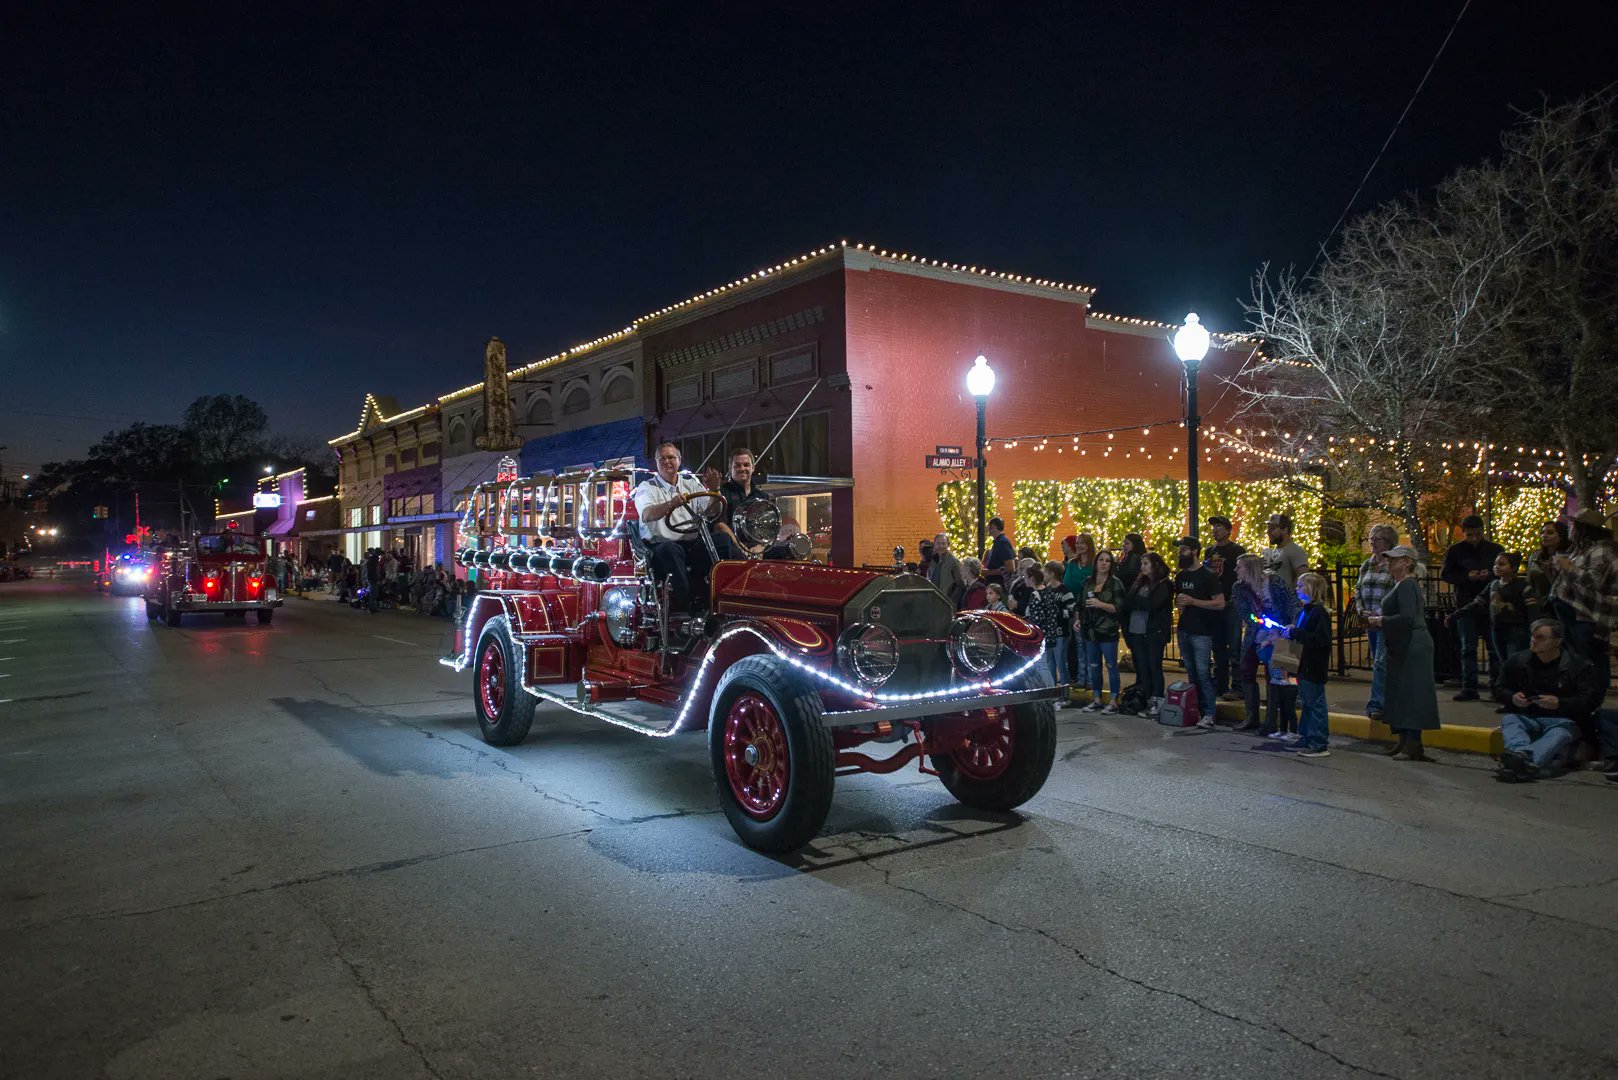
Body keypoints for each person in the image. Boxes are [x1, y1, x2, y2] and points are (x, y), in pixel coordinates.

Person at [1494, 619, 1604, 782]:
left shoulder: (1578, 666)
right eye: (1533, 636)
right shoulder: (1518, 661)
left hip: (1563, 720)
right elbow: (1499, 688)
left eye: (1541, 638)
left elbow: (1590, 701)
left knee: (1559, 734)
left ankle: (1522, 763)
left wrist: (1559, 703)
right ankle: (1521, 755)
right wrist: (1512, 698)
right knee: (1510, 720)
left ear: (1557, 641)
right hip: (1528, 715)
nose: (1534, 641)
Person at [631, 441, 734, 614]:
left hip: (691, 545)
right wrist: (670, 504)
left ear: (679, 460)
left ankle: (722, 599)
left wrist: (715, 491)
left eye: (671, 457)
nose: (666, 462)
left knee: (722, 541)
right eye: (661, 458)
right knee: (671, 550)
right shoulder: (646, 487)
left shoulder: (691, 484)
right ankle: (688, 607)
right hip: (660, 547)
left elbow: (712, 511)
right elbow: (647, 514)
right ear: (656, 462)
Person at [1364, 545, 1440, 761]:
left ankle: (1413, 744)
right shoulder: (1400, 584)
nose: (1389, 562)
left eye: (1394, 559)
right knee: (1401, 692)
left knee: (1411, 693)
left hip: (1412, 645)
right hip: (1403, 644)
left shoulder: (1407, 585)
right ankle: (1405, 740)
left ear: (1406, 562)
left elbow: (1407, 618)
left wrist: (1381, 621)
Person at [1449, 552, 1539, 711]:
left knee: (1515, 664)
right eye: (1496, 564)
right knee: (1504, 664)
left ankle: (1522, 699)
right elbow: (1477, 603)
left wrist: (1533, 630)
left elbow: (1532, 611)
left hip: (1516, 630)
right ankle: (1511, 700)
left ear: (1513, 568)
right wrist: (1456, 615)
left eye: (1503, 564)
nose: (1497, 567)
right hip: (1498, 630)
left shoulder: (1523, 587)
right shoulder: (1493, 585)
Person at [1548, 509, 1618, 703]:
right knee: (1577, 659)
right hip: (1572, 614)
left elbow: (1591, 581)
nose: (1570, 530)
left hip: (1587, 615)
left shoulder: (1601, 550)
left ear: (1583, 529)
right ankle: (1582, 698)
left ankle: (1593, 700)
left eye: (1574, 526)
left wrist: (1568, 567)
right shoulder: (1580, 549)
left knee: (1591, 659)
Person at [1440, 513, 1506, 701]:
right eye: (1470, 535)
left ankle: (1496, 686)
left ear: (1482, 532)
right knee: (1467, 647)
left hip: (1490, 603)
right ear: (1464, 533)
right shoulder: (1455, 551)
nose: (1474, 539)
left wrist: (1490, 575)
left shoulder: (1494, 549)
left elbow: (1503, 569)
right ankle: (1469, 686)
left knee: (1493, 647)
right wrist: (1466, 577)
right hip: (1466, 602)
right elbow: (1446, 574)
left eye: (1477, 534)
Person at [1278, 572, 1333, 757]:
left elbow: (1321, 639)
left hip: (1313, 664)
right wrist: (1294, 631)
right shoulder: (1307, 610)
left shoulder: (1318, 612)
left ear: (1311, 589)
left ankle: (1318, 743)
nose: (1297, 589)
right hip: (1305, 663)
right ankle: (1307, 737)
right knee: (1308, 703)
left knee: (1314, 704)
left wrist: (1296, 634)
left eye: (1300, 586)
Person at [1174, 536, 1225, 729]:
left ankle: (1210, 713)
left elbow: (1219, 603)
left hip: (1202, 631)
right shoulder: (1181, 576)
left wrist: (1194, 602)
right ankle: (1195, 710)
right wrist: (1180, 604)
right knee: (1191, 673)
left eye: (1184, 549)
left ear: (1194, 551)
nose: (1180, 553)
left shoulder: (1207, 576)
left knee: (1203, 673)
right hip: (1184, 629)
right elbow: (1179, 601)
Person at [1356, 524, 1399, 722]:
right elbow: (1358, 589)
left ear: (1389, 542)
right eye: (1371, 538)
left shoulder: (1393, 564)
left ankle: (1377, 704)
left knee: (1381, 663)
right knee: (1379, 662)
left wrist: (1380, 613)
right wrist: (1361, 610)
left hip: (1384, 620)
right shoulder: (1367, 564)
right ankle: (1387, 700)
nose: (1372, 542)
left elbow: (1395, 592)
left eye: (1377, 539)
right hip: (1370, 621)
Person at [1122, 552, 1173, 718]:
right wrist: (1136, 603)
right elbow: (1128, 601)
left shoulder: (1164, 584)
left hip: (1153, 630)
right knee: (1142, 667)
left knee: (1154, 666)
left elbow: (1153, 604)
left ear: (1155, 565)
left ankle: (1157, 701)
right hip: (1137, 629)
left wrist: (1137, 602)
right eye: (1142, 563)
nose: (1142, 566)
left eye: (1146, 563)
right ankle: (1147, 700)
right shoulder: (1140, 583)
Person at [1203, 515, 1247, 701]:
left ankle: (1238, 686)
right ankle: (1219, 684)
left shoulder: (1237, 550)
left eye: (1219, 527)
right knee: (1217, 647)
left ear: (1228, 530)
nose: (1215, 530)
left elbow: (1242, 575)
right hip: (1215, 605)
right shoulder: (1209, 551)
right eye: (1214, 527)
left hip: (1232, 604)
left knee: (1234, 646)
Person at [1078, 550, 1126, 713]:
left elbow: (1119, 608)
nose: (1104, 563)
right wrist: (1078, 620)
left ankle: (1113, 700)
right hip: (1090, 630)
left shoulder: (1115, 583)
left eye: (1107, 561)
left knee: (1111, 665)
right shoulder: (1088, 582)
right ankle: (1097, 698)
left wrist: (1101, 604)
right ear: (1096, 562)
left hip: (1108, 629)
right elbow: (1081, 604)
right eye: (1101, 560)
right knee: (1094, 665)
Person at [1025, 561, 1076, 691]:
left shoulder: (1064, 590)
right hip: (1050, 632)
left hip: (1060, 632)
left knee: (1061, 664)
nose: (1043, 574)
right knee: (1049, 664)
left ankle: (1065, 693)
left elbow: (1071, 610)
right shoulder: (1047, 590)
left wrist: (1054, 614)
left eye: (1046, 572)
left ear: (1052, 574)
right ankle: (1053, 691)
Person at [1062, 534, 1097, 697]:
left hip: (1091, 608)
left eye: (1083, 543)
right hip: (1075, 608)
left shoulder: (1095, 564)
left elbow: (1095, 585)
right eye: (1078, 543)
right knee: (1078, 645)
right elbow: (1068, 584)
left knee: (1091, 644)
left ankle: (1092, 679)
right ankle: (1081, 677)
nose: (1080, 546)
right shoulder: (1072, 564)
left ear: (1089, 545)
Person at [1262, 513, 1309, 593]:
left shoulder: (1295, 551)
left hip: (1286, 602)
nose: (1268, 532)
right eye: (1268, 528)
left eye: (1272, 528)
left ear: (1284, 530)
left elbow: (1303, 578)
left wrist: (1292, 599)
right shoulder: (1275, 551)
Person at [1526, 520, 1569, 602]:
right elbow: (1529, 582)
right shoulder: (1536, 555)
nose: (1544, 536)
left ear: (1561, 536)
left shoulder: (1567, 556)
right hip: (1537, 601)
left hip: (1559, 601)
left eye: (1550, 533)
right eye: (1542, 532)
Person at [927, 532, 966, 608]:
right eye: (938, 543)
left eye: (943, 543)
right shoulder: (934, 561)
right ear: (934, 545)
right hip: (934, 601)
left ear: (948, 545)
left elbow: (960, 584)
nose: (941, 546)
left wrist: (950, 601)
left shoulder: (954, 562)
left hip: (947, 603)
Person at [983, 517, 1016, 588]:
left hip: (999, 584)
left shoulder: (1002, 543)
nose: (987, 529)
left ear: (993, 527)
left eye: (989, 527)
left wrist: (989, 572)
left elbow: (1010, 567)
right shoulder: (998, 542)